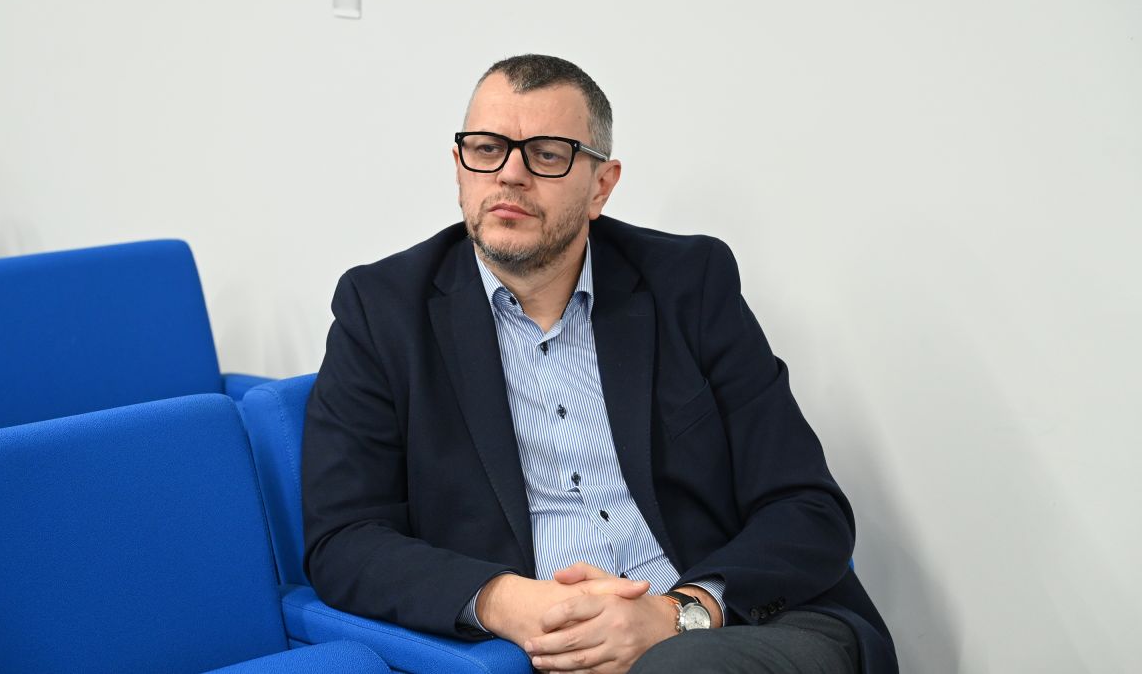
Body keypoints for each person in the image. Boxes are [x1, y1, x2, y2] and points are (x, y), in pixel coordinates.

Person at [302, 54, 897, 673]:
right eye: (486, 149)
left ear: (601, 186)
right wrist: (506, 602)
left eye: (547, 155)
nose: (509, 175)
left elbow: (806, 505)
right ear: (459, 166)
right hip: (551, 647)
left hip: (741, 622)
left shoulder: (689, 284)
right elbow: (344, 539)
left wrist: (679, 614)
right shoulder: (382, 310)